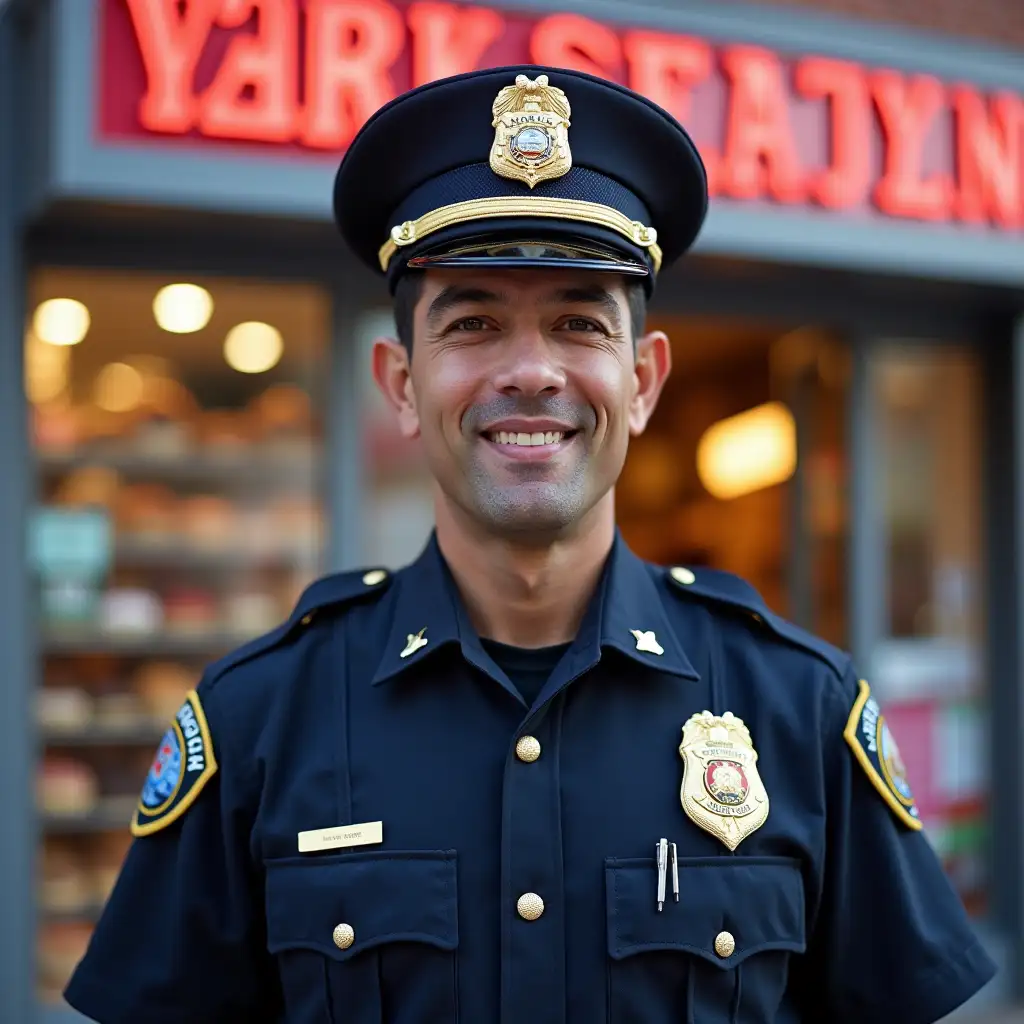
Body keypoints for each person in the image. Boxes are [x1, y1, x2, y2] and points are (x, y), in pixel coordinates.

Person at [65, 65, 996, 1024]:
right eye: (472, 323)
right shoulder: (260, 720)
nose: (530, 372)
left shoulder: (800, 708)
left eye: (576, 322)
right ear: (400, 382)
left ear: (642, 381)